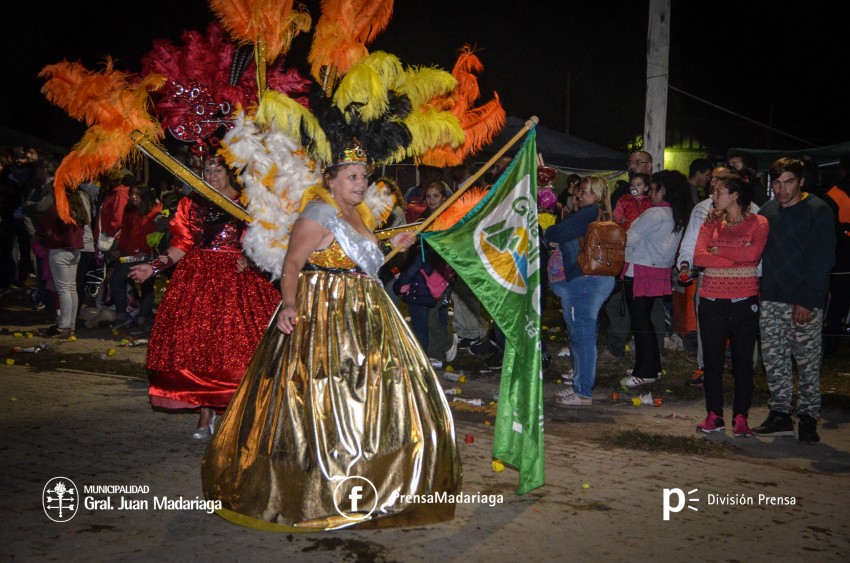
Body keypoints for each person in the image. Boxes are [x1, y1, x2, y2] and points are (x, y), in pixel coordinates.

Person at [201, 143, 461, 530]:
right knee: (320, 393)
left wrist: (394, 246)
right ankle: (313, 484)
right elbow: (292, 263)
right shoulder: (319, 214)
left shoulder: (359, 214)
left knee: (378, 389)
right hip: (324, 312)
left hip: (367, 310)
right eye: (353, 177)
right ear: (332, 180)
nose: (361, 183)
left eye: (364, 177)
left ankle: (376, 480)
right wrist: (288, 304)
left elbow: (362, 264)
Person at [129, 155, 281, 439]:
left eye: (218, 169)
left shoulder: (249, 201)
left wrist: (250, 259)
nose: (212, 175)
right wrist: (153, 267)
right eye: (207, 170)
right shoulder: (191, 203)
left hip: (239, 280)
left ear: (231, 172)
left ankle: (237, 411)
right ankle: (205, 412)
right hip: (197, 280)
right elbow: (182, 243)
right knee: (198, 345)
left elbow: (267, 240)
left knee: (237, 347)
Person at [753, 157, 835, 443]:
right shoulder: (768, 210)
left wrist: (808, 300)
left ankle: (809, 417)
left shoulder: (818, 210)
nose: (781, 188)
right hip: (772, 297)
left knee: (808, 361)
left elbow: (822, 260)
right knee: (774, 359)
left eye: (788, 182)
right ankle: (780, 414)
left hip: (804, 300)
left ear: (800, 181)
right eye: (776, 182)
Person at [692, 174, 769, 436]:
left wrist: (719, 253)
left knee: (742, 362)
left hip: (743, 302)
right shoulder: (710, 223)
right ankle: (714, 415)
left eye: (718, 192)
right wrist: (734, 259)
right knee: (712, 362)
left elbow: (752, 255)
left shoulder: (758, 222)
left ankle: (741, 416)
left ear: (735, 195)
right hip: (712, 301)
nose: (713, 197)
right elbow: (699, 258)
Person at [545, 176, 616, 406]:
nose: (578, 195)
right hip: (592, 280)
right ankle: (579, 385)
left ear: (597, 195)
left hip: (586, 281)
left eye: (583, 192)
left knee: (582, 337)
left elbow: (557, 233)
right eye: (577, 192)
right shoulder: (599, 214)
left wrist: (548, 231)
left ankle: (583, 392)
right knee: (580, 335)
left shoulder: (589, 212)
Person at [620, 170, 693, 388]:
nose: (649, 193)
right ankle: (650, 365)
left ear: (663, 190)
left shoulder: (655, 214)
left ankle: (646, 371)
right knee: (646, 322)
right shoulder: (675, 213)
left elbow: (629, 238)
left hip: (641, 270)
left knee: (641, 322)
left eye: (652, 189)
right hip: (657, 270)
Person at [36, 189, 89, 338]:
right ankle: (70, 325)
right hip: (75, 251)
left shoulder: (57, 210)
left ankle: (64, 326)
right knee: (71, 288)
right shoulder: (78, 210)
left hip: (59, 251)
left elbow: (42, 229)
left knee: (64, 290)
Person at [109, 184, 162, 331]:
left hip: (146, 255)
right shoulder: (130, 210)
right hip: (129, 254)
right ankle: (122, 315)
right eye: (132, 193)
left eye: (137, 195)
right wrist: (120, 250)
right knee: (116, 280)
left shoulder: (156, 212)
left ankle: (142, 318)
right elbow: (125, 232)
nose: (133, 197)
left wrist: (146, 250)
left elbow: (158, 236)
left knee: (146, 286)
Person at [821, 153, 850, 357]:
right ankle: (830, 347)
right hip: (839, 261)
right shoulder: (833, 196)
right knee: (836, 305)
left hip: (844, 258)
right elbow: (832, 232)